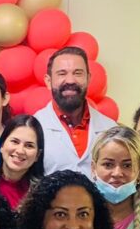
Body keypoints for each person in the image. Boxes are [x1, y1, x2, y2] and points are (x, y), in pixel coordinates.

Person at [34, 46, 117, 176]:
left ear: (88, 79)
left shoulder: (110, 128)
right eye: (62, 73)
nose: (70, 80)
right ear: (48, 81)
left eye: (78, 73)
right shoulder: (34, 127)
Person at [0, 114, 45, 211]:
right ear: (2, 145)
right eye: (15, 142)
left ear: (37, 155)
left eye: (29, 145)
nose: (20, 151)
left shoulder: (43, 193)